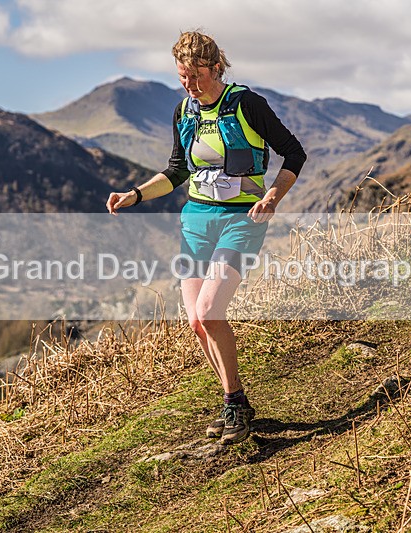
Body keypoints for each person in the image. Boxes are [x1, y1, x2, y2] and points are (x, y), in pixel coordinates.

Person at [106, 30, 306, 445]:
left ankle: (234, 403)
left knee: (211, 311)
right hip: (196, 220)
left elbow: (294, 152)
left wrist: (272, 196)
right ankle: (235, 401)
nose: (191, 86)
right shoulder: (184, 111)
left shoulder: (248, 104)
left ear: (217, 67)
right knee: (197, 322)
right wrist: (136, 194)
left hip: (241, 219)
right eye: (183, 78)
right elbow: (177, 170)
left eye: (197, 76)